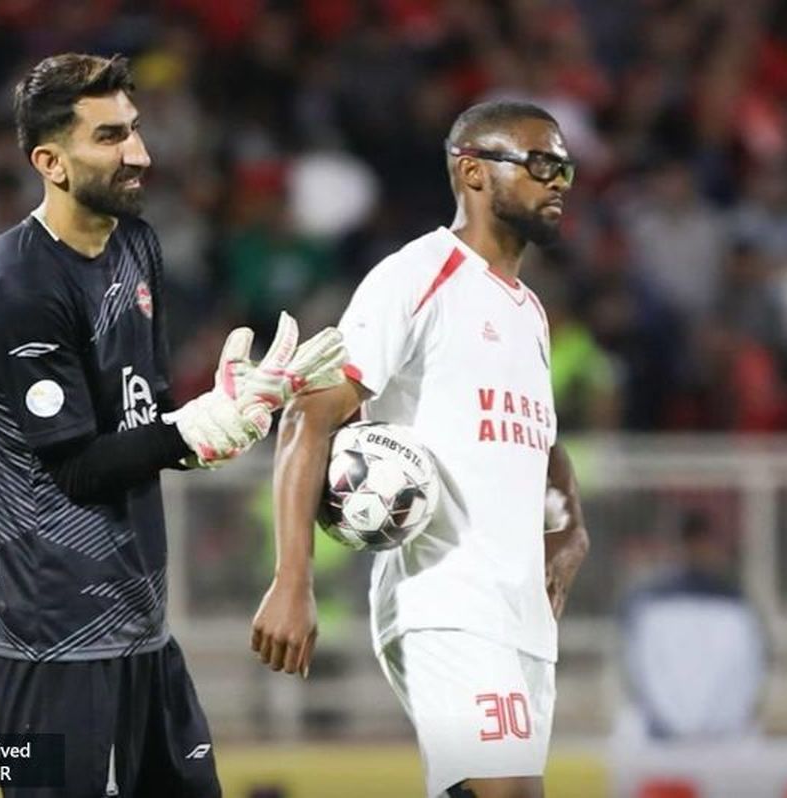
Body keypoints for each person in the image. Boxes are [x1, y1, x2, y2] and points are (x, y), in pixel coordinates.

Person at [0, 53, 347, 798]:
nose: (138, 154)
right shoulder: (17, 284)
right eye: (109, 137)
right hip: (54, 637)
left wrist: (225, 417)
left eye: (134, 130)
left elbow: (141, 422)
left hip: (140, 620)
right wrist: (189, 432)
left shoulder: (138, 244)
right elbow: (75, 466)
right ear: (50, 162)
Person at [250, 100, 591, 798]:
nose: (557, 182)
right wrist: (293, 580)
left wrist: (570, 522)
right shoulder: (417, 275)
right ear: (473, 171)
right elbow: (307, 417)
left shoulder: (529, 311)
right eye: (539, 164)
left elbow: (542, 440)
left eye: (564, 168)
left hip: (522, 613)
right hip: (446, 596)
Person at [617, 510, 769, 743]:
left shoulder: (734, 607)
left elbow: (749, 670)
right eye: (691, 544)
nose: (696, 551)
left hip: (723, 732)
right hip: (664, 733)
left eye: (701, 545)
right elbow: (639, 669)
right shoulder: (650, 606)